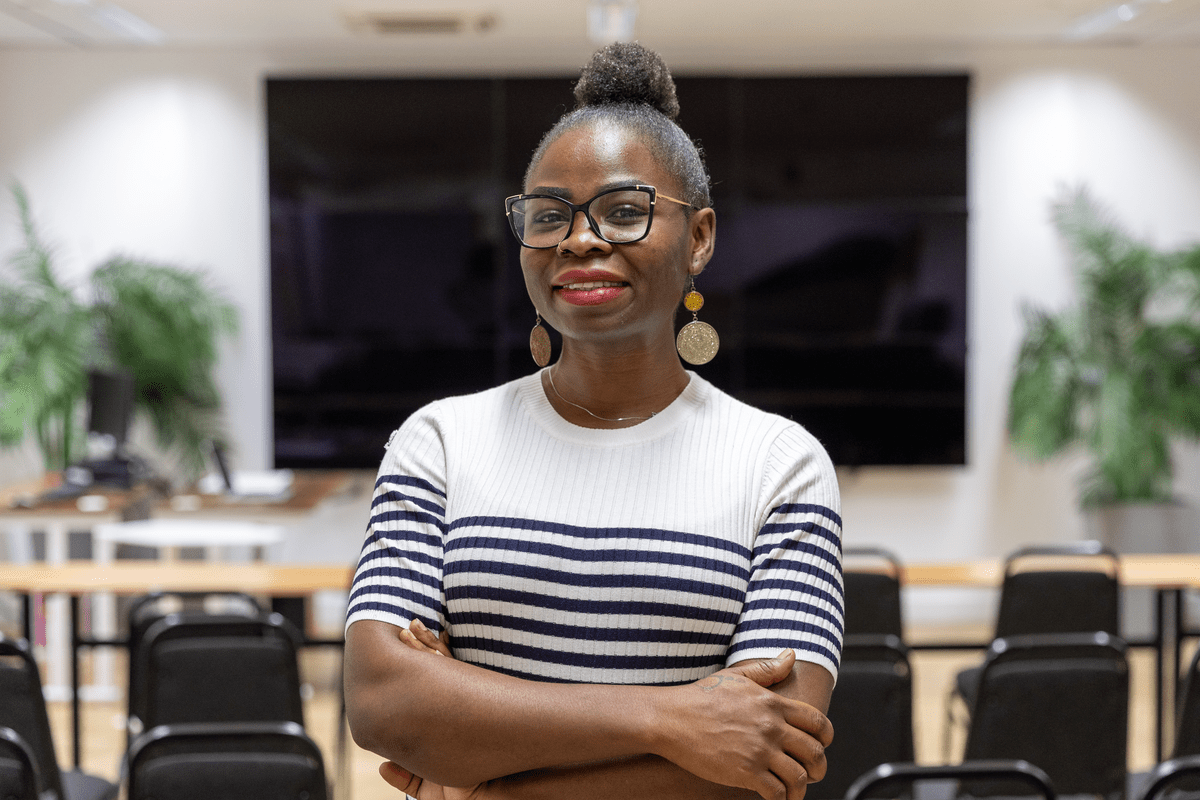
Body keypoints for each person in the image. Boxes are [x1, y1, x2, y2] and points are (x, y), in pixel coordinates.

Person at [343, 41, 844, 800]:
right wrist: (671, 721)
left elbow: (764, 756)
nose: (579, 238)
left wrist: (489, 781)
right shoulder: (438, 443)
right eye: (549, 215)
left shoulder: (780, 464)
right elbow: (385, 704)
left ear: (699, 238)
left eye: (624, 210)